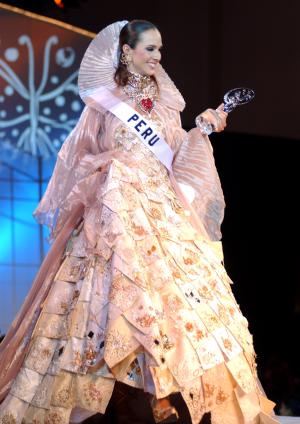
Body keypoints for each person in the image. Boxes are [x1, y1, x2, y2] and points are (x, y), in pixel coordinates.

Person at [0, 20, 279, 424]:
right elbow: (78, 156)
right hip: (115, 207)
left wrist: (200, 130)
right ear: (127, 52)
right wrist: (104, 172)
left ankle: (163, 392)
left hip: (161, 211)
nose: (157, 57)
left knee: (175, 303)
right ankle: (125, 395)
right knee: (117, 299)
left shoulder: (167, 102)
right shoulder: (104, 102)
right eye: (149, 49)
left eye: (160, 50)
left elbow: (177, 157)